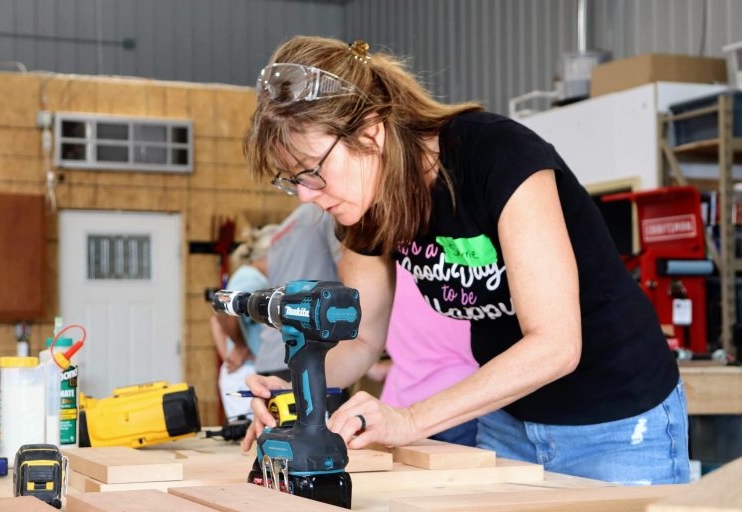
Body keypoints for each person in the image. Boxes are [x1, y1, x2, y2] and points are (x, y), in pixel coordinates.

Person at [240, 36, 689, 485]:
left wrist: (410, 420)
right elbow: (362, 339)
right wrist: (298, 390)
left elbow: (556, 345)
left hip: (617, 419)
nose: (305, 196)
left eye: (312, 171)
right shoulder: (366, 206)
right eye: (292, 180)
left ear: (370, 133)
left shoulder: (497, 154)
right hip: (509, 419)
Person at [368, 263, 478, 446]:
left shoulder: (387, 270)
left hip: (398, 403)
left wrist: (380, 367)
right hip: (459, 401)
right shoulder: (455, 272)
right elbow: (474, 349)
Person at [252, 203, 343, 379]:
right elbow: (352, 278)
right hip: (308, 355)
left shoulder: (278, 235)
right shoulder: (323, 213)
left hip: (271, 356)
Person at [212, 223, 278, 420]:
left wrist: (229, 355)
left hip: (242, 369)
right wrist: (241, 347)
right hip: (246, 372)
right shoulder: (253, 280)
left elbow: (214, 321)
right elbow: (221, 311)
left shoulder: (250, 276)